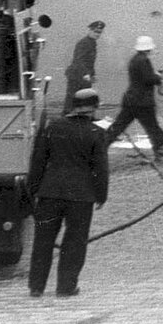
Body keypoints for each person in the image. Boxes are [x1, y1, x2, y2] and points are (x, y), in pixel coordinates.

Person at [27, 88, 109, 297]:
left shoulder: (52, 127)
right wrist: (101, 195)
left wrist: (33, 189)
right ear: (94, 109)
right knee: (75, 242)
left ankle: (36, 286)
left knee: (43, 241)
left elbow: (38, 161)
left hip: (50, 193)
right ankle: (66, 286)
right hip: (81, 196)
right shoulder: (96, 132)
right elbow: (101, 168)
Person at [104, 36, 163, 155]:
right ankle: (160, 148)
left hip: (131, 99)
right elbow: (148, 79)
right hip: (143, 102)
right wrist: (158, 77)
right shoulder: (144, 61)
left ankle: (99, 145)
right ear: (148, 49)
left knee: (118, 126)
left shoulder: (135, 59)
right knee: (152, 126)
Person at [61, 21, 105, 114]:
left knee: (84, 99)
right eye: (95, 31)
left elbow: (90, 62)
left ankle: (81, 118)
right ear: (90, 30)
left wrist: (92, 74)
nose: (97, 34)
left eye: (99, 32)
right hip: (76, 75)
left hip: (84, 76)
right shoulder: (84, 43)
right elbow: (79, 60)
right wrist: (85, 74)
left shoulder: (92, 43)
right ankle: (65, 117)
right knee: (72, 99)